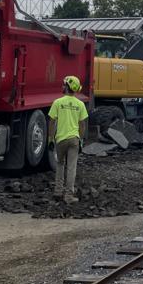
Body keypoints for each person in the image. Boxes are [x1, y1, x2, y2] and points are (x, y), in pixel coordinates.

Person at [47, 75, 88, 203]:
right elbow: (82, 125)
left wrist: (50, 139)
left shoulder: (57, 102)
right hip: (74, 139)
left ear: (67, 87)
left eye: (64, 84)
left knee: (60, 164)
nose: (62, 86)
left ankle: (58, 192)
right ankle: (69, 196)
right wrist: (80, 140)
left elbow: (52, 122)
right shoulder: (80, 104)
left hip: (60, 140)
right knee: (71, 168)